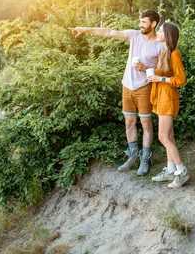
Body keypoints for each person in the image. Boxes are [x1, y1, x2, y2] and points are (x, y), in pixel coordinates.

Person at [69, 10, 163, 176]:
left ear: (153, 24)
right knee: (129, 122)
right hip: (127, 86)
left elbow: (165, 70)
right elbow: (108, 32)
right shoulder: (134, 36)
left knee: (146, 124)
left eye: (144, 22)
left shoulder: (159, 44)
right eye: (140, 21)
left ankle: (145, 159)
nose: (140, 25)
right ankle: (134, 156)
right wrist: (84, 29)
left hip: (145, 87)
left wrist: (147, 68)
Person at [146, 22, 189, 188]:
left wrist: (160, 79)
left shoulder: (174, 54)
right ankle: (171, 169)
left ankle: (182, 170)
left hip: (168, 99)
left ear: (168, 35)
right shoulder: (164, 52)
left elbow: (180, 80)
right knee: (169, 137)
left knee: (163, 137)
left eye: (160, 30)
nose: (157, 32)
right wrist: (153, 76)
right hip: (161, 98)